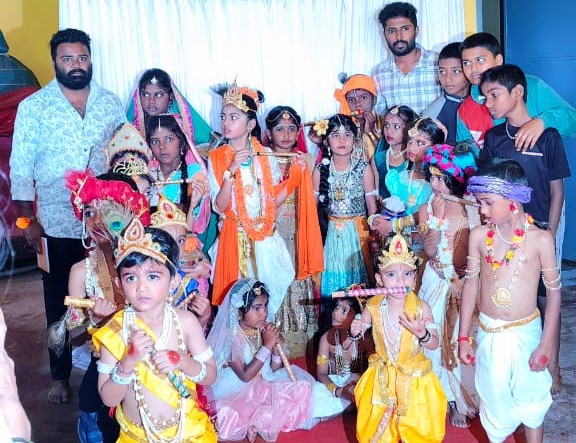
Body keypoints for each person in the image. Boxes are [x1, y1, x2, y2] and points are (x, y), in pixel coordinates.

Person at [9, 28, 125, 403]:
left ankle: (108, 368)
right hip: (56, 223)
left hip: (105, 223)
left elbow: (124, 156)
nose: (76, 65)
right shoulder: (35, 107)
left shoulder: (110, 103)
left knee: (109, 296)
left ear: (90, 60)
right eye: (67, 58)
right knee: (58, 302)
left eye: (82, 58)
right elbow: (21, 166)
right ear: (55, 62)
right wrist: (27, 221)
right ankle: (60, 375)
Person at [479, 64, 570, 398]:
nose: (487, 102)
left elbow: (557, 191)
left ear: (517, 93)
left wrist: (550, 232)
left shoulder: (548, 137)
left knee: (546, 297)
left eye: (493, 95)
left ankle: (553, 365)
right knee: (511, 293)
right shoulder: (493, 138)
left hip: (539, 233)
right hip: (503, 233)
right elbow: (487, 188)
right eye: (485, 96)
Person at [459, 159, 560, 443]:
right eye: (480, 202)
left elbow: (554, 294)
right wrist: (463, 337)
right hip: (489, 331)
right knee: (493, 398)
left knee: (531, 398)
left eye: (488, 202)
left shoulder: (540, 239)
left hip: (526, 333)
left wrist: (546, 346)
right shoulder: (479, 236)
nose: (482, 210)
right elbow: (471, 285)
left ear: (513, 200)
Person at [93, 218, 217, 443]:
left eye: (153, 276)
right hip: (136, 437)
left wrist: (182, 361)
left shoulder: (186, 322)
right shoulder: (116, 330)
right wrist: (128, 362)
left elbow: (210, 376)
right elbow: (108, 399)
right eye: (131, 277)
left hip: (188, 433)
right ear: (119, 285)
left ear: (173, 281)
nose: (142, 286)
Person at [207, 81, 307, 315]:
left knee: (263, 302)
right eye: (223, 117)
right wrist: (230, 171)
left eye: (233, 117)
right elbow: (219, 206)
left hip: (264, 241)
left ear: (250, 124)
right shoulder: (216, 158)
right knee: (237, 307)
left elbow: (272, 202)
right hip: (233, 238)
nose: (226, 123)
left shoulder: (265, 154)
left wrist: (293, 178)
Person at [64, 170, 150, 443]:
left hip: (152, 364)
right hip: (106, 367)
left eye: (107, 210)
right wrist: (97, 324)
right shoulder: (81, 272)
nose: (96, 221)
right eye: (89, 212)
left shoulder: (152, 264)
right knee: (98, 414)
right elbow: (74, 337)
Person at [207, 278, 347, 442]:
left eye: (265, 306)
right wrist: (267, 346)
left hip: (262, 385)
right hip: (234, 391)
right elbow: (245, 376)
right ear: (238, 312)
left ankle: (258, 423)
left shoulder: (261, 329)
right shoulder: (229, 336)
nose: (264, 313)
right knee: (229, 413)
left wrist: (274, 351)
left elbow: (272, 370)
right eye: (257, 308)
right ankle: (253, 424)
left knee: (300, 389)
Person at [351, 233, 446, 443]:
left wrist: (422, 334)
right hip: (382, 378)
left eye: (407, 273)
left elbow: (434, 343)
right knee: (380, 432)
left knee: (416, 431)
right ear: (379, 279)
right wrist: (355, 330)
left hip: (415, 381)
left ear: (415, 278)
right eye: (392, 274)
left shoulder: (421, 308)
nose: (400, 280)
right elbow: (358, 331)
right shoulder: (373, 306)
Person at [417, 144, 479, 428]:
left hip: (463, 285)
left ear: (456, 180)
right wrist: (436, 221)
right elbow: (430, 250)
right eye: (431, 177)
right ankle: (436, 396)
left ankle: (458, 400)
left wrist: (462, 281)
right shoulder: (429, 205)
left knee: (456, 342)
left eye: (440, 179)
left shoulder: (474, 208)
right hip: (434, 280)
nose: (434, 184)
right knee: (431, 342)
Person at [264, 106, 322, 355]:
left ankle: (299, 339)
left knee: (298, 274)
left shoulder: (306, 161)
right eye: (280, 129)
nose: (286, 135)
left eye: (291, 129)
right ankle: (272, 335)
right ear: (269, 132)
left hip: (299, 229)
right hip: (271, 230)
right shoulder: (262, 160)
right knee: (274, 275)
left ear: (298, 132)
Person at [456, 32, 576, 151]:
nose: (473, 69)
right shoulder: (465, 110)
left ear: (498, 60)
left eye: (480, 60)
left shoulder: (530, 86)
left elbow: (573, 121)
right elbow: (465, 155)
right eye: (466, 63)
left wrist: (543, 122)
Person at [313, 114, 378, 298]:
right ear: (326, 141)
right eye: (335, 135)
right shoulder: (320, 170)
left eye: (347, 135)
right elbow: (313, 209)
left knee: (358, 279)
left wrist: (374, 237)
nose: (342, 140)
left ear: (355, 140)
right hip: (331, 234)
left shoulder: (363, 168)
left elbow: (371, 206)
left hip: (358, 233)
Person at [146, 114, 212, 243]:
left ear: (181, 142)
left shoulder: (194, 173)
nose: (162, 146)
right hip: (149, 241)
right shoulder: (147, 171)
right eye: (155, 141)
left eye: (169, 139)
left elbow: (193, 220)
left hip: (183, 241)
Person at [372, 2, 441, 115]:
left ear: (416, 30)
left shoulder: (438, 63)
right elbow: (382, 115)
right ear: (384, 34)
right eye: (391, 31)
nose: (399, 37)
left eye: (405, 29)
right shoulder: (379, 73)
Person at [126, 68, 213, 146]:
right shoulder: (131, 129)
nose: (151, 101)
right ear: (138, 96)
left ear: (171, 96)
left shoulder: (180, 127)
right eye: (146, 94)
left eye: (159, 95)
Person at [315, 297, 374, 406]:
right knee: (316, 393)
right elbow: (321, 374)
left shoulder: (366, 340)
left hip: (358, 387)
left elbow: (374, 371)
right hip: (333, 388)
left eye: (344, 310)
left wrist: (355, 383)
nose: (336, 312)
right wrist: (337, 391)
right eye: (337, 306)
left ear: (357, 317)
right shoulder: (325, 339)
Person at [423, 42, 470, 145]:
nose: (448, 79)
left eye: (456, 71)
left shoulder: (485, 100)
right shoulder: (433, 114)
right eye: (442, 72)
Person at [334, 73, 383, 163]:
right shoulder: (343, 126)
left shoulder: (385, 124)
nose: (357, 104)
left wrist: (370, 133)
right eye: (351, 100)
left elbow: (387, 158)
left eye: (363, 98)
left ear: (374, 100)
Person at [372, 105, 418, 199]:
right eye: (386, 125)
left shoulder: (415, 158)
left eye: (396, 126)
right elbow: (374, 193)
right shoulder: (378, 159)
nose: (389, 131)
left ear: (410, 128)